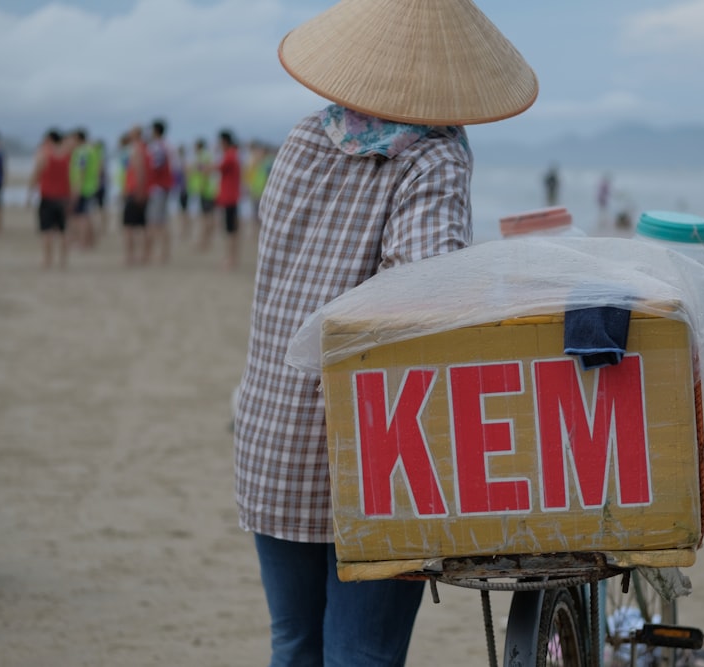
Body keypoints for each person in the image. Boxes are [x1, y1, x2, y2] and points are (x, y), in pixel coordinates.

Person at [232, 1, 537, 665]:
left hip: (273, 433)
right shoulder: (432, 156)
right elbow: (420, 294)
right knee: (360, 653)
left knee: (295, 642)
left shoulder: (304, 138)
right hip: (374, 452)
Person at [27, 129, 73, 269]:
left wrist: (29, 195)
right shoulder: (68, 156)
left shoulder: (45, 155)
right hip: (63, 198)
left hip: (48, 198)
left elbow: (36, 175)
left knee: (47, 231)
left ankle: (48, 260)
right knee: (63, 230)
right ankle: (63, 261)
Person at [144, 119, 173, 263]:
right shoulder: (165, 145)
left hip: (158, 188)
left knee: (155, 222)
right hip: (163, 188)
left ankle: (151, 254)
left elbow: (154, 168)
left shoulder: (157, 147)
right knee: (161, 222)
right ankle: (163, 254)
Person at [212, 130, 241, 270]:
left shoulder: (230, 155)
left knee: (230, 230)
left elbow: (216, 167)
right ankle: (231, 257)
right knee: (231, 229)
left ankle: (231, 258)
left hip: (230, 198)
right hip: (231, 197)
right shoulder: (233, 154)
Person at [121, 125, 149, 265]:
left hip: (135, 191)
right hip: (139, 190)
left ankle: (131, 257)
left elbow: (139, 171)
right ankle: (143, 255)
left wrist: (138, 190)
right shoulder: (143, 148)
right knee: (142, 226)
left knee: (129, 227)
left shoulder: (137, 149)